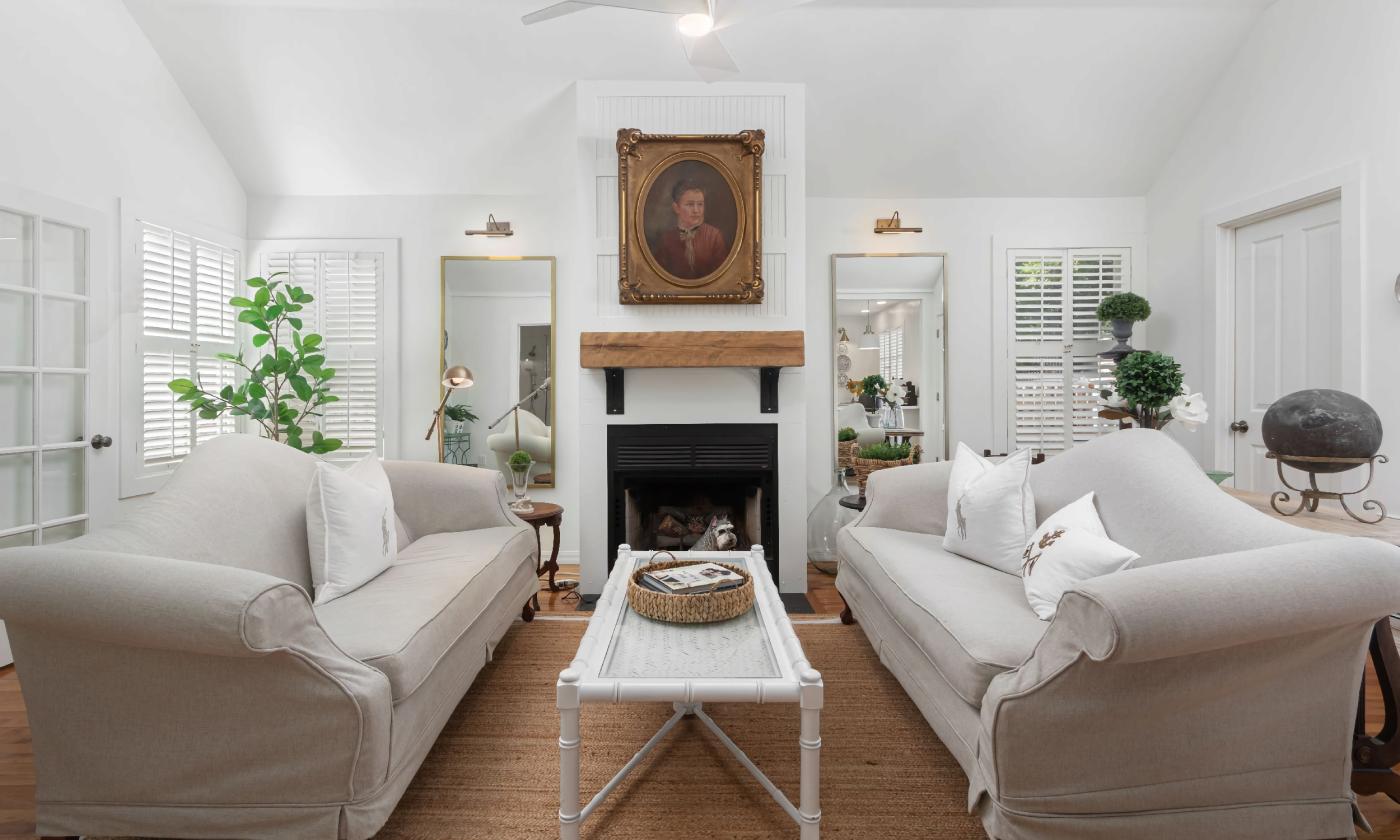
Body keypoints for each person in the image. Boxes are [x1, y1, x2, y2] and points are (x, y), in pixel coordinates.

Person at [653, 178, 728, 280]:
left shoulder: (714, 236)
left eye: (700, 204)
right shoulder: (666, 239)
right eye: (690, 204)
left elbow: (722, 276)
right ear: (676, 208)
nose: (696, 210)